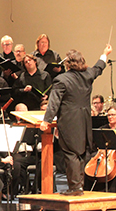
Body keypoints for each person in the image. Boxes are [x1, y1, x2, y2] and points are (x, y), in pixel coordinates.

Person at [40, 44, 112, 196]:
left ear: (67, 63)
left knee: (71, 154)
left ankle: (75, 188)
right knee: (81, 154)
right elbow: (99, 67)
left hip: (69, 121)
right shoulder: (88, 75)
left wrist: (46, 120)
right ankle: (79, 186)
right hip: (85, 120)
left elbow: (54, 102)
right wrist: (105, 53)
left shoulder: (61, 79)